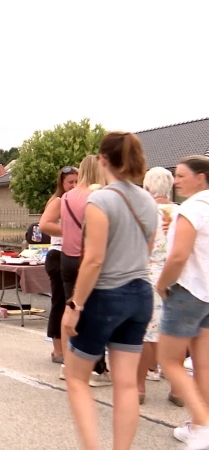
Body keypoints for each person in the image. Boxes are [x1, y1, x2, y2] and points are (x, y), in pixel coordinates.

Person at [62, 131, 157, 450]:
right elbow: (149, 248)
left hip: (106, 295)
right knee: (127, 384)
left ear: (103, 161)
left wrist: (74, 305)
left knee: (76, 379)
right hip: (140, 294)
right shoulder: (147, 200)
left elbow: (94, 259)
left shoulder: (100, 199)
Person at [154, 155, 209, 446]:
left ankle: (203, 425)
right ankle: (200, 422)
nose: (176, 180)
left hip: (187, 291)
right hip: (208, 293)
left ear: (200, 178)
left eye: (183, 175)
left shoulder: (192, 209)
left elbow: (177, 256)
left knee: (169, 360)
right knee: (204, 364)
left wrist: (162, 285)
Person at [55, 155, 109, 385]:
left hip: (67, 257)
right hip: (88, 257)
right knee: (92, 311)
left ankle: (68, 364)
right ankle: (96, 367)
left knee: (70, 308)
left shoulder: (66, 196)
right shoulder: (99, 196)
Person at [138, 167, 179, 405]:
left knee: (146, 333)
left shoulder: (144, 212)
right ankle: (177, 389)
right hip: (176, 276)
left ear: (147, 187)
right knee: (175, 332)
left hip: (149, 274)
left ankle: (140, 387)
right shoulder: (181, 212)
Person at [39, 166, 79, 365]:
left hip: (71, 254)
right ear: (62, 184)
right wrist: (70, 230)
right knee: (60, 302)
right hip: (58, 255)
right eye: (70, 182)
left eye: (76, 181)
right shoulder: (58, 201)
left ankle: (67, 347)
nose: (73, 185)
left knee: (68, 303)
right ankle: (57, 349)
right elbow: (44, 225)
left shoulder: (77, 200)